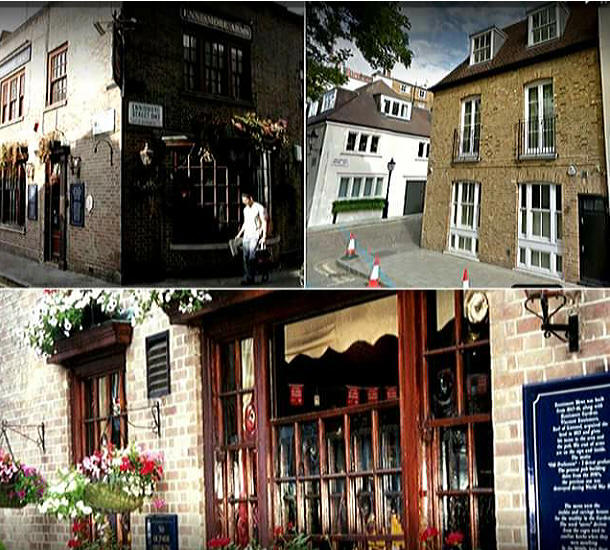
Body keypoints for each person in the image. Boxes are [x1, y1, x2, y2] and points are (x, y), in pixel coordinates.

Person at [235, 192, 267, 285]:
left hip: (255, 234)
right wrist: (239, 234)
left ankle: (251, 277)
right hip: (246, 235)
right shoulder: (245, 210)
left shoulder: (259, 208)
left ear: (250, 198)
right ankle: (247, 277)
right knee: (245, 257)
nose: (245, 203)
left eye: (246, 201)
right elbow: (245, 223)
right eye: (243, 201)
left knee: (252, 256)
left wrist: (264, 236)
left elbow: (264, 221)